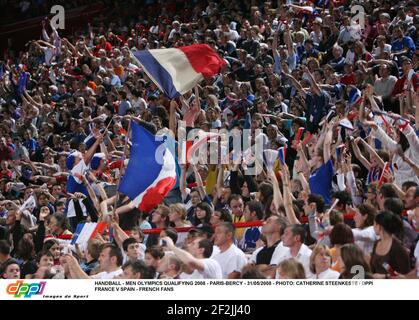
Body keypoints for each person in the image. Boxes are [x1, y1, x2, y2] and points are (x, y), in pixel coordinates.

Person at [370, 211, 411, 278]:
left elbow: (405, 276)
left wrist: (384, 277)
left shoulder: (398, 248)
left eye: (374, 224)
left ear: (379, 226)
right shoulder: (376, 243)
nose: (373, 227)